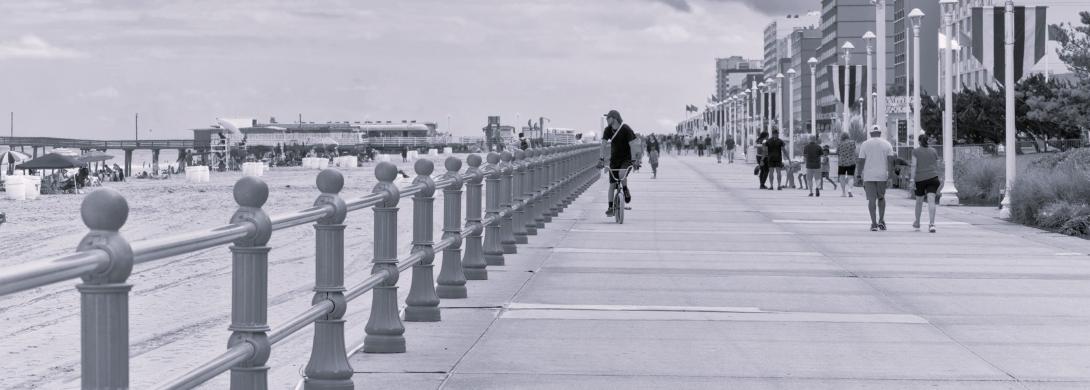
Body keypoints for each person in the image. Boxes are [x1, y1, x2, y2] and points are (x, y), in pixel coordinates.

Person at [855, 126, 896, 231]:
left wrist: (859, 175)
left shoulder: (865, 144)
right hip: (882, 175)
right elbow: (891, 160)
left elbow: (860, 161)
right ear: (880, 133)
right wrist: (890, 176)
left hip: (869, 176)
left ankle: (873, 224)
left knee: (871, 200)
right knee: (881, 198)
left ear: (870, 133)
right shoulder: (887, 144)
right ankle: (881, 221)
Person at [600, 109, 637, 217]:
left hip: (627, 159)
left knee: (621, 173)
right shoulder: (608, 130)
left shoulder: (625, 128)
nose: (607, 120)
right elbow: (603, 144)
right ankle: (610, 207)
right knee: (612, 185)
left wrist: (634, 160)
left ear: (614, 118)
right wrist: (601, 159)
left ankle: (625, 189)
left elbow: (632, 145)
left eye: (608, 118)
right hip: (614, 160)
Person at [911, 134, 941, 233]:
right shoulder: (933, 151)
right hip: (933, 178)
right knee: (931, 200)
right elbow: (938, 164)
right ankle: (932, 224)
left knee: (919, 201)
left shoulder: (916, 151)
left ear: (919, 141)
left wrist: (912, 179)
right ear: (927, 141)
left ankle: (917, 223)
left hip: (920, 179)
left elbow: (914, 166)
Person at [837, 132, 857, 198]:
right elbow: (854, 151)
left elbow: (837, 152)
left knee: (842, 177)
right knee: (850, 177)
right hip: (851, 162)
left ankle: (843, 192)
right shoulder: (852, 142)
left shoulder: (839, 144)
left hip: (842, 162)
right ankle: (850, 190)